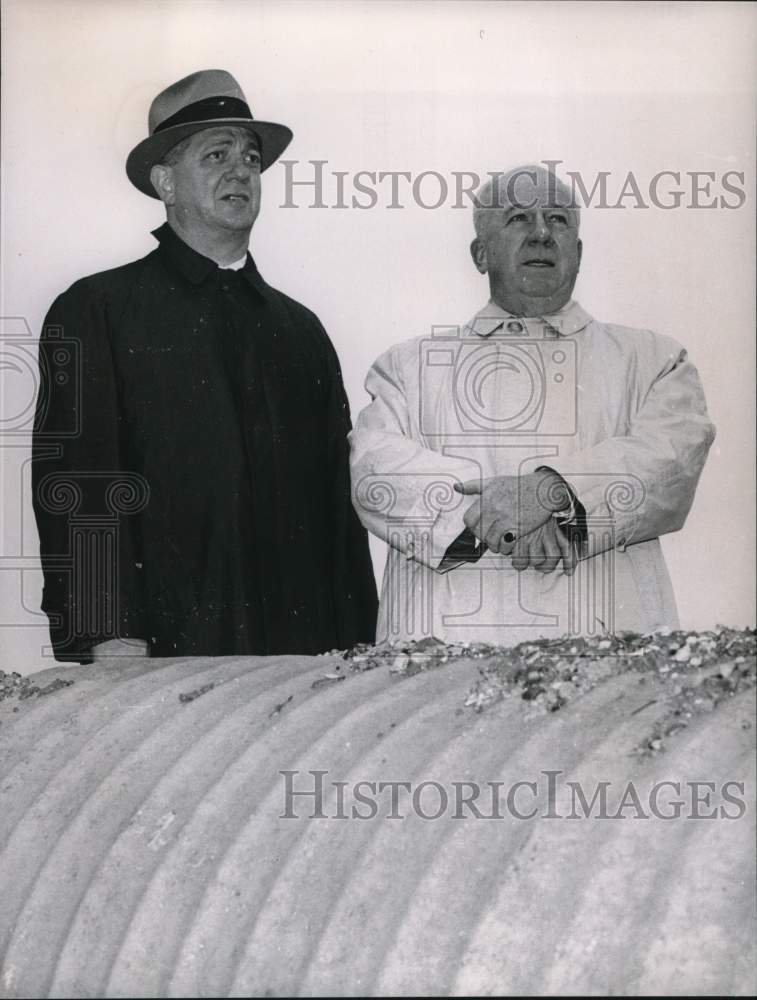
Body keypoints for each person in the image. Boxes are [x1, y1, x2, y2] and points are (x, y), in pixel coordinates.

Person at [33, 69, 377, 661]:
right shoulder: (97, 309)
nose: (241, 169)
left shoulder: (302, 331)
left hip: (304, 657)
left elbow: (338, 517)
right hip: (163, 653)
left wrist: (361, 651)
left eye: (250, 156)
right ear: (165, 182)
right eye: (216, 154)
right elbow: (80, 488)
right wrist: (105, 634)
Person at [349, 164, 715, 645]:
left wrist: (552, 493)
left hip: (609, 648)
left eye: (558, 220)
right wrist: (503, 518)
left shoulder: (654, 360)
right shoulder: (407, 367)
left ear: (578, 254)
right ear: (480, 254)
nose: (541, 234)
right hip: (444, 652)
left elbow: (672, 456)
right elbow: (375, 472)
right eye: (519, 218)